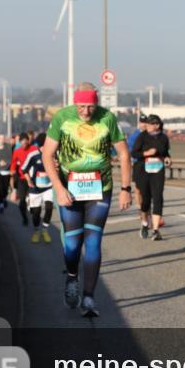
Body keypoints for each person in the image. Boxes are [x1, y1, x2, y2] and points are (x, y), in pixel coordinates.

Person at [41, 83, 132, 317]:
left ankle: (89, 297)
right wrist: (58, 188)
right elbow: (47, 154)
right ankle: (72, 277)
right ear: (75, 103)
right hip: (69, 189)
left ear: (96, 102)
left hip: (100, 189)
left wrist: (126, 188)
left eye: (90, 106)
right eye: (81, 106)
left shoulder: (107, 118)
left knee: (93, 241)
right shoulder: (62, 118)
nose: (85, 111)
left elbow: (123, 153)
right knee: (72, 243)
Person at [131, 114, 171, 241]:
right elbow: (134, 152)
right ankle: (144, 224)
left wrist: (167, 158)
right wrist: (146, 153)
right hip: (143, 170)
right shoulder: (142, 136)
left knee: (158, 198)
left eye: (149, 124)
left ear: (157, 125)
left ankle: (156, 230)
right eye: (146, 123)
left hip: (158, 170)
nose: (146, 125)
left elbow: (165, 152)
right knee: (146, 200)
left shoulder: (164, 137)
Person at [23, 133, 55, 243]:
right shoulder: (33, 155)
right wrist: (29, 180)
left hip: (48, 187)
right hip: (35, 188)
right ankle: (36, 231)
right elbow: (24, 169)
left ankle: (45, 229)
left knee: (49, 207)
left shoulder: (53, 154)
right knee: (36, 212)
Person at [129, 115, 150, 235]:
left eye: (145, 122)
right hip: (138, 165)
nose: (144, 124)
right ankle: (140, 208)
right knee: (138, 190)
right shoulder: (134, 135)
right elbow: (130, 150)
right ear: (139, 123)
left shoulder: (151, 134)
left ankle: (147, 212)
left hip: (150, 166)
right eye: (142, 122)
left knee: (148, 190)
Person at [10, 131, 34, 226]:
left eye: (25, 142)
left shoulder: (34, 149)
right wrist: (12, 170)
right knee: (22, 201)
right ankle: (24, 218)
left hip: (33, 177)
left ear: (28, 141)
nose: (24, 144)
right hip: (21, 178)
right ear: (19, 142)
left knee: (33, 199)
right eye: (22, 143)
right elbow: (13, 163)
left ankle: (32, 210)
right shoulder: (17, 151)